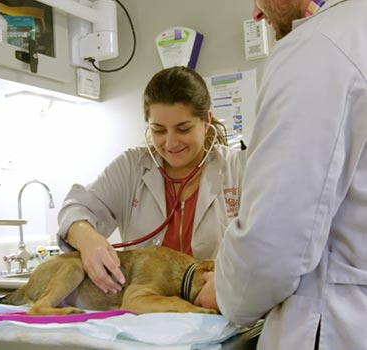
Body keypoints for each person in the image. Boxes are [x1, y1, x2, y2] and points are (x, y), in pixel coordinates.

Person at [194, 0, 367, 349]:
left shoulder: (320, 47)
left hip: (336, 328)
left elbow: (271, 245)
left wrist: (227, 291)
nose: (257, 13)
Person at [56, 66, 246, 295]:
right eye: (158, 130)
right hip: (146, 313)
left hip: (215, 308)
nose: (170, 143)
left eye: (183, 129)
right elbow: (75, 208)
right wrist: (87, 239)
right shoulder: (132, 167)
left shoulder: (239, 169)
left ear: (206, 121)